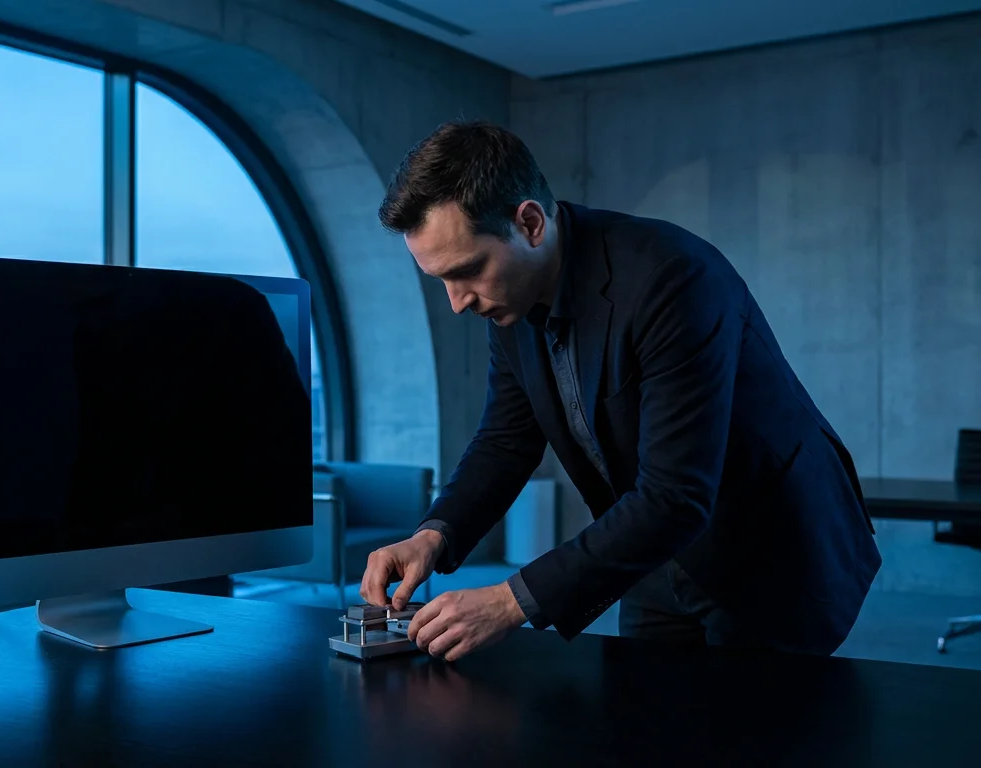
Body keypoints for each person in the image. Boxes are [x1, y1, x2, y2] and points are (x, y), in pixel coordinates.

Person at [360, 121, 882, 662]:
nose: (456, 303)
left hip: (766, 553)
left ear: (531, 223)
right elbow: (505, 441)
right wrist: (434, 535)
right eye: (440, 280)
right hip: (652, 555)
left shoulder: (673, 278)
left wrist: (510, 601)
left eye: (467, 271)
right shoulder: (508, 300)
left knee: (757, 741)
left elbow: (676, 495)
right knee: (645, 735)